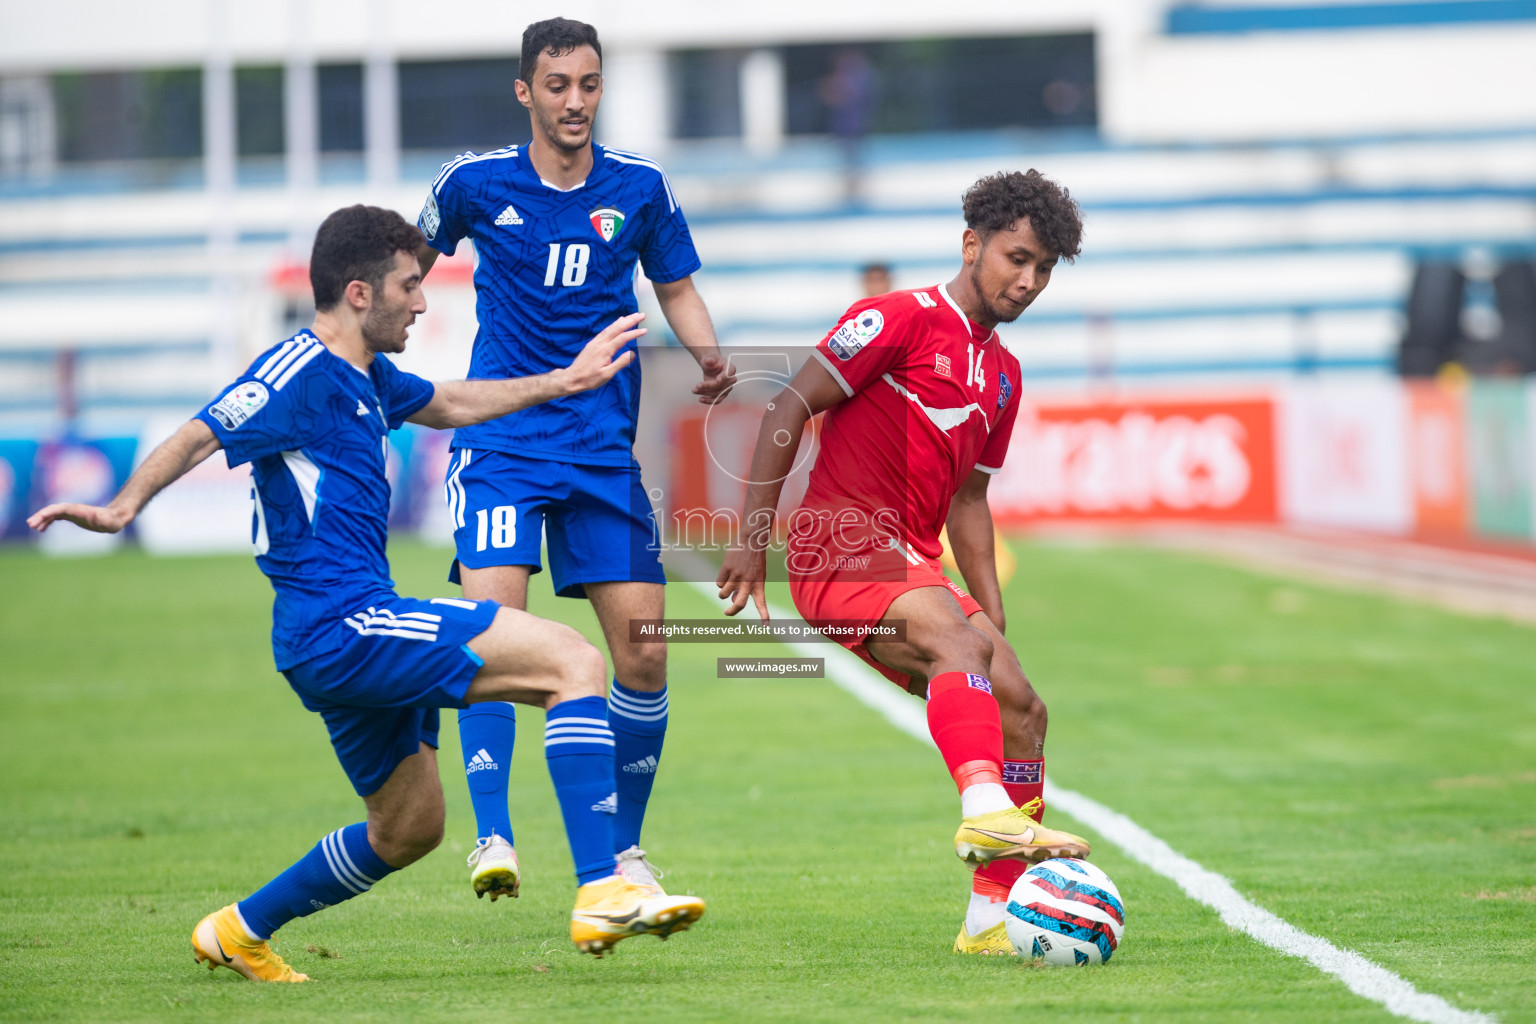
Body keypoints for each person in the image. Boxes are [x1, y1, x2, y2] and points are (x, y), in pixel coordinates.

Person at [27, 205, 705, 981]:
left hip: (334, 634)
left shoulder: (371, 376)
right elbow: (202, 431)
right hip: (343, 623)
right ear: (358, 293)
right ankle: (604, 887)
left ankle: (239, 929)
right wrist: (121, 507)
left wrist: (566, 380)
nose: (422, 302)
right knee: (573, 661)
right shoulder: (294, 373)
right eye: (410, 286)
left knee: (409, 827)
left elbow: (450, 402)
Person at [716, 170, 1091, 957]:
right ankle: (984, 804)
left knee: (1023, 708)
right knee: (957, 643)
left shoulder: (1005, 375)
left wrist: (991, 615)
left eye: (1044, 269)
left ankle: (990, 924)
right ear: (972, 245)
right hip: (837, 544)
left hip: (913, 561)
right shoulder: (899, 318)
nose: (1027, 281)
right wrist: (751, 542)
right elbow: (789, 405)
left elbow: (970, 504)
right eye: (1017, 258)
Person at [416, 17, 731, 905]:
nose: (574, 102)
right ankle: (491, 836)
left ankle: (625, 855)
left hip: (601, 451)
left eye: (588, 84)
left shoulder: (641, 187)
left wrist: (707, 351)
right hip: (503, 444)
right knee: (493, 638)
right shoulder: (473, 184)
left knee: (644, 653)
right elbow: (407, 267)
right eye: (556, 86)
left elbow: (675, 286)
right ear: (525, 91)